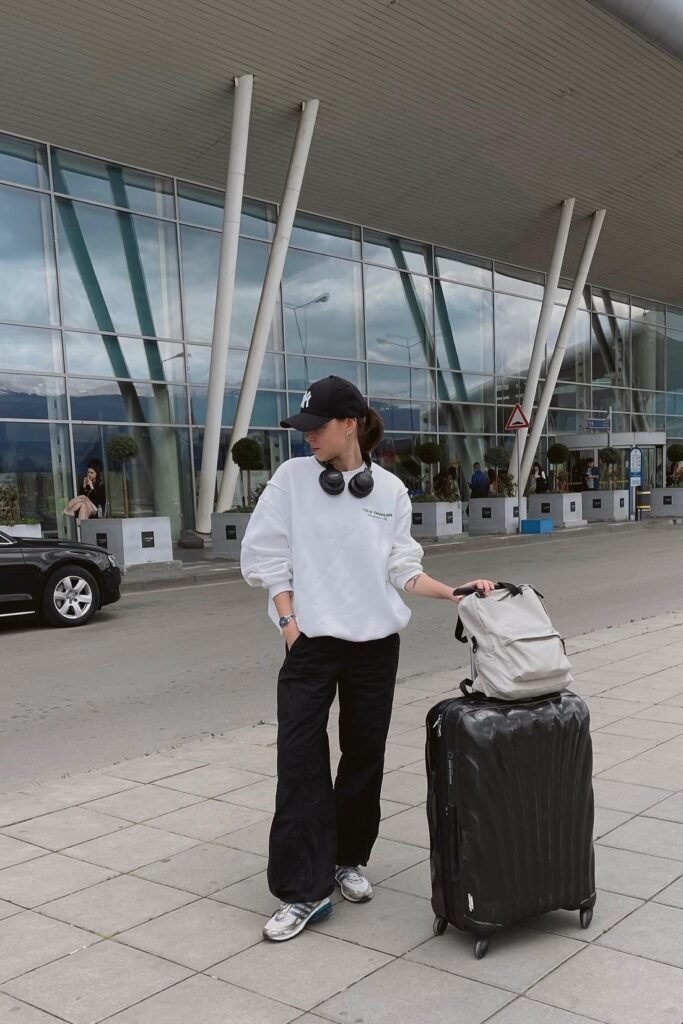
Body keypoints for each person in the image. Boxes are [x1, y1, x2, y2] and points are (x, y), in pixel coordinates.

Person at [240, 375, 494, 942]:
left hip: (375, 649)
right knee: (300, 760)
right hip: (310, 646)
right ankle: (303, 891)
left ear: (350, 424)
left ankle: (347, 858)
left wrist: (454, 592)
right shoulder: (291, 480)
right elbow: (264, 555)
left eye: (316, 427)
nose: (306, 437)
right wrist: (288, 622)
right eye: (302, 428)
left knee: (363, 757)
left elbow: (402, 567)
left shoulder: (391, 493)